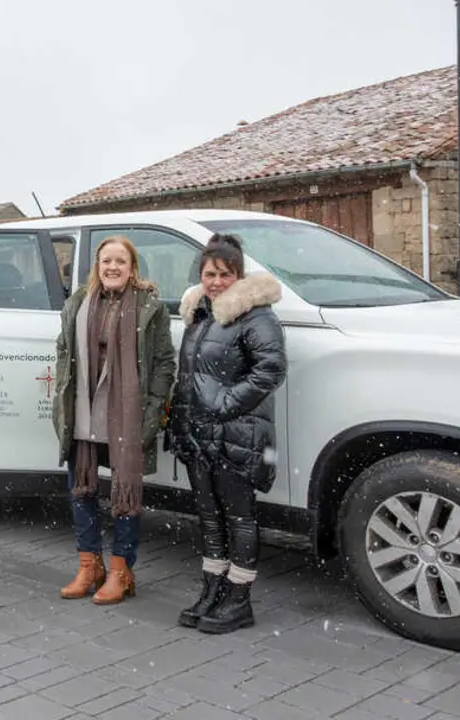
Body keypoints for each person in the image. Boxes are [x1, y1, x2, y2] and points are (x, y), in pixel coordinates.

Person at [167, 233, 287, 634]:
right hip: (199, 433)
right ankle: (212, 588)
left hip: (237, 433)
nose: (215, 281)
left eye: (223, 274)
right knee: (209, 515)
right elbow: (191, 376)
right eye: (208, 274)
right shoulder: (200, 315)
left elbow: (270, 369)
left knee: (239, 516)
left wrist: (225, 404)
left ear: (238, 275)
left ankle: (239, 598)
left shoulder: (257, 316)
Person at [50, 235, 176, 605]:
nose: (113, 267)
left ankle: (121, 569)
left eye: (121, 261)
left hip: (126, 414)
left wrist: (151, 409)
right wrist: (63, 395)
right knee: (81, 490)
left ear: (132, 268)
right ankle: (90, 565)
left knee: (125, 492)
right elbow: (63, 351)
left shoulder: (150, 308)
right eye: (106, 261)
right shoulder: (78, 304)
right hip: (85, 411)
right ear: (97, 266)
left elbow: (164, 363)